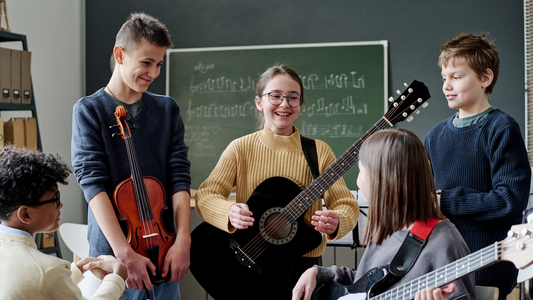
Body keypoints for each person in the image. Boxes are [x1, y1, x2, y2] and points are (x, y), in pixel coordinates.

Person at [194, 64, 359, 299]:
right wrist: (228, 211)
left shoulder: (319, 151)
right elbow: (206, 195)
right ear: (259, 102)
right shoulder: (240, 148)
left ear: (300, 104)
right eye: (276, 96)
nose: (285, 104)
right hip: (247, 263)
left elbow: (345, 202)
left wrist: (338, 220)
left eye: (293, 98)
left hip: (303, 268)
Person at [71, 12, 191, 300]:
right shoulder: (89, 110)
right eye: (146, 63)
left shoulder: (166, 110)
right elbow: (92, 184)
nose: (154, 73)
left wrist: (183, 239)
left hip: (164, 251)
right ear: (120, 55)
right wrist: (125, 254)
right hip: (115, 261)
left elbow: (179, 176)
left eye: (159, 64)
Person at [292, 128, 476, 300]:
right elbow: (368, 283)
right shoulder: (389, 228)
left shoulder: (444, 242)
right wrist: (320, 273)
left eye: (360, 171)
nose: (357, 182)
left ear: (381, 179)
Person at [424, 33, 531, 299]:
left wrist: (445, 201)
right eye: (444, 78)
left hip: (487, 267)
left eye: (456, 77)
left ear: (485, 78)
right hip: (439, 267)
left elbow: (510, 201)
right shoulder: (434, 136)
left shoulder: (502, 128)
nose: (446, 86)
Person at [0, 145, 128, 300]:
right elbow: (43, 277)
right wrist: (116, 279)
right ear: (25, 214)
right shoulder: (47, 270)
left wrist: (74, 271)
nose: (60, 205)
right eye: (55, 198)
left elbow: (35, 287)